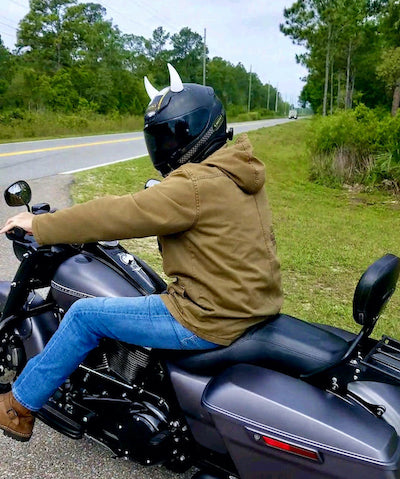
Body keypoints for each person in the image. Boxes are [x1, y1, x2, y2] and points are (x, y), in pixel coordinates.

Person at [0, 64, 283, 442]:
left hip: (207, 316)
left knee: (84, 315)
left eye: (171, 136)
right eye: (159, 138)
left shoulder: (195, 184)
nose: (164, 147)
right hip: (251, 304)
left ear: (198, 130)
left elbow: (121, 212)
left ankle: (17, 408)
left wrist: (42, 225)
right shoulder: (235, 171)